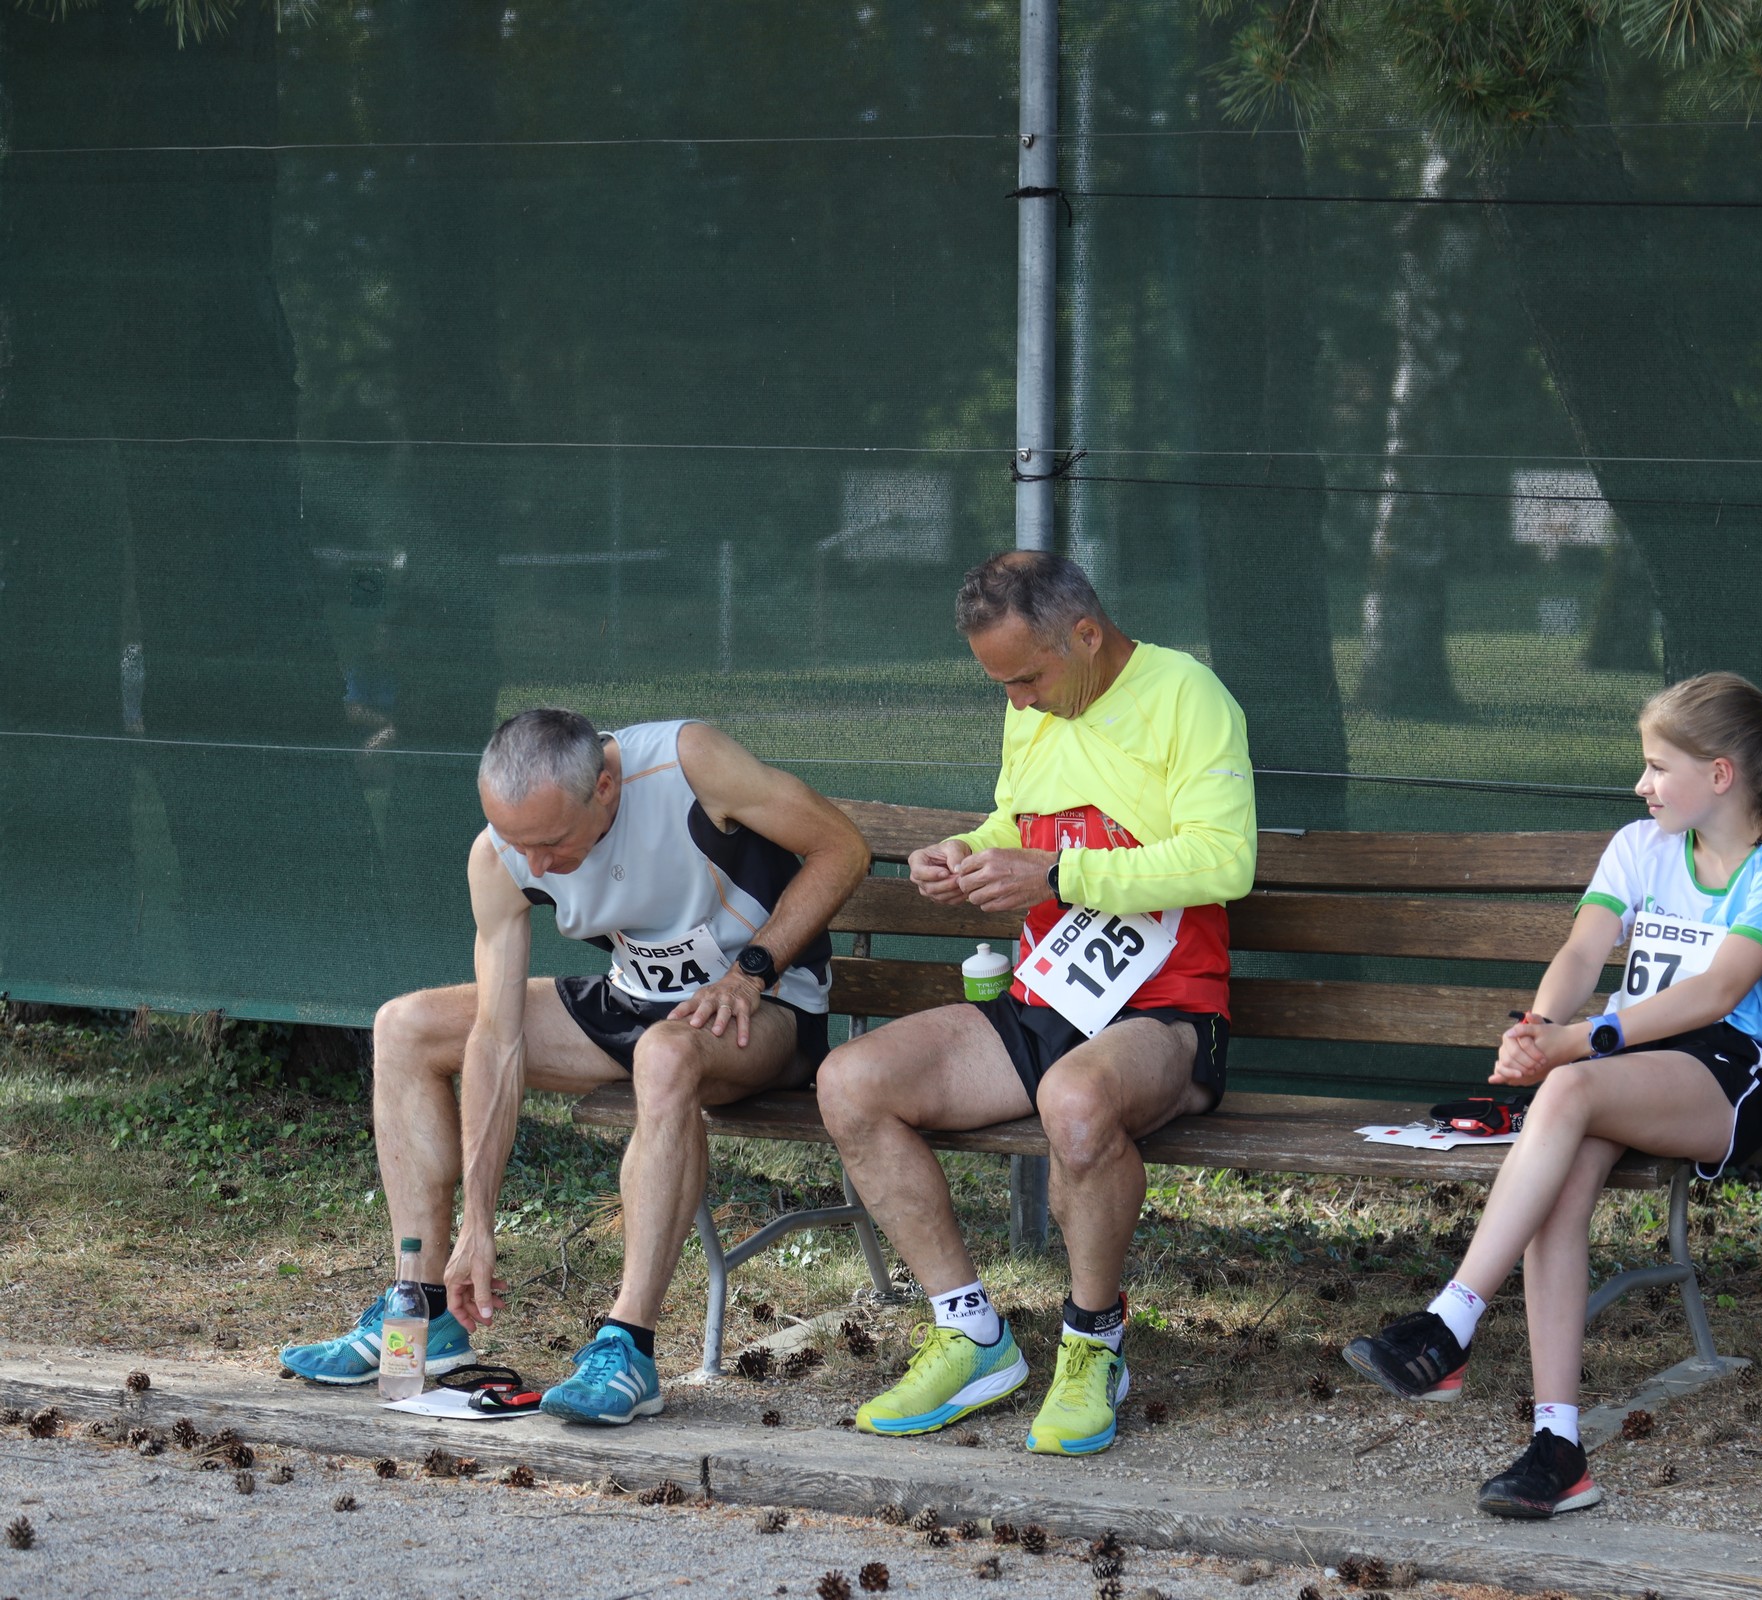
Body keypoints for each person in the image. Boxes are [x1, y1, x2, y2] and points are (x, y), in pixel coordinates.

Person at [280, 710, 869, 1424]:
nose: (534, 866)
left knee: (665, 1052)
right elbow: (497, 1041)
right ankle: (423, 1304)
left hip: (763, 1009)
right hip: (634, 1003)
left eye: (552, 842)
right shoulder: (500, 857)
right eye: (517, 842)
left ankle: (629, 1347)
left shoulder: (686, 763)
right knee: (404, 1027)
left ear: (606, 788)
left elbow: (842, 848)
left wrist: (751, 971)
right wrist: (479, 1224)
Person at [1343, 672, 1762, 1518]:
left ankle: (1451, 1322)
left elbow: (1717, 995)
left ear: (1719, 774)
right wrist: (1539, 1026)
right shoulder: (1641, 844)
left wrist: (1581, 1042)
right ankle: (1558, 1448)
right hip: (1628, 1061)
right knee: (1559, 1191)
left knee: (1567, 1091)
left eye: (1658, 766)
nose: (1641, 784)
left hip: (1729, 1070)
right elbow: (1580, 951)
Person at [816, 550, 1255, 1457]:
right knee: (850, 1082)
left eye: (1028, 678)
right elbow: (1014, 824)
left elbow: (1225, 860)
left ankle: (1094, 1346)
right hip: (1046, 1000)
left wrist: (1056, 874)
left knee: (1076, 1100)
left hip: (1165, 1010)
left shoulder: (1188, 694)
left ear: (1086, 635)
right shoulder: (1033, 704)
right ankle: (972, 1335)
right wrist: (966, 853)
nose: (1018, 700)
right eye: (1003, 686)